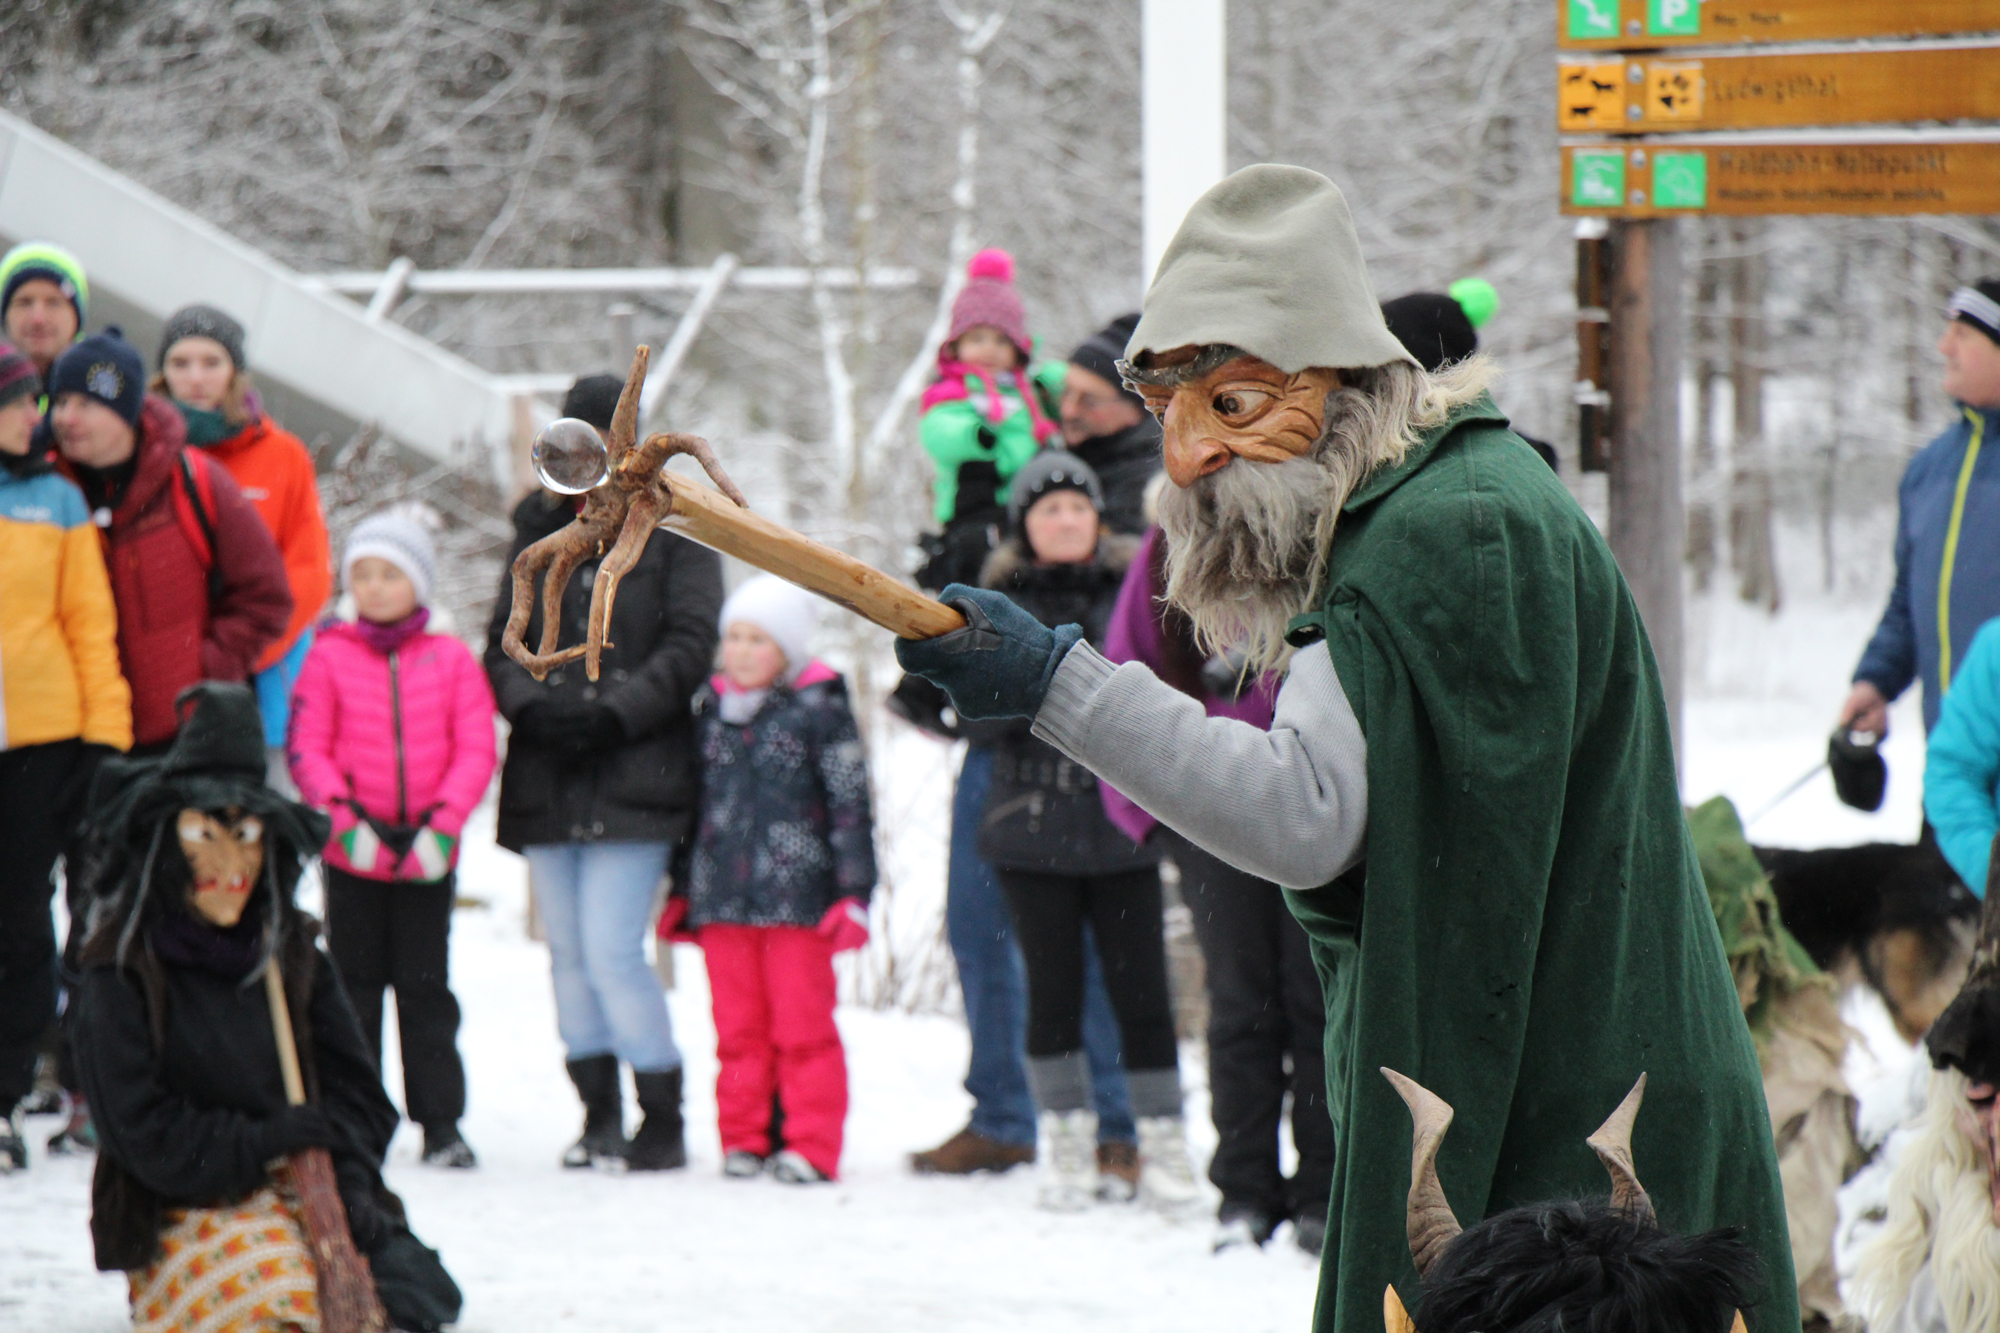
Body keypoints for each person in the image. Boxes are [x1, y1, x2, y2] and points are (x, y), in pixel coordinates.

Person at [897, 165, 1795, 1332]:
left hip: (1584, 1161)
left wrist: (1061, 685)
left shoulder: (1452, 533)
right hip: (1562, 1116)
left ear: (1329, 380)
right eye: (1168, 413)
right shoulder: (1433, 507)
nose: (1187, 464)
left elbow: (1305, 813)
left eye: (1227, 406)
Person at [70, 682, 460, 1333]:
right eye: (204, 831)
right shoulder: (123, 966)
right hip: (182, 1203)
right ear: (165, 842)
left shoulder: (292, 952)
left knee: (412, 1302)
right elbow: (141, 1134)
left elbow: (360, 1096)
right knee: (277, 1310)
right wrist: (264, 1140)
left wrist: (342, 1180)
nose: (229, 862)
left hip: (304, 1189)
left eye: (246, 833)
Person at [484, 372, 722, 1172]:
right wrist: (539, 706)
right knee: (568, 955)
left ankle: (660, 1111)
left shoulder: (676, 527)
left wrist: (615, 710)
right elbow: (504, 638)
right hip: (550, 767)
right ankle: (596, 1113)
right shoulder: (535, 527)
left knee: (615, 948)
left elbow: (691, 642)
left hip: (638, 767)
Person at [961, 449, 1199, 1214]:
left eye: (1078, 506)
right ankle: (1065, 1138)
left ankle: (1162, 1142)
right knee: (1051, 991)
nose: (1066, 519)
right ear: (1024, 525)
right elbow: (972, 716)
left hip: (1120, 823)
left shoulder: (1139, 589)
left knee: (1143, 993)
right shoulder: (996, 600)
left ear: (1100, 517)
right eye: (1048, 508)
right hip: (1028, 825)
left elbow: (1160, 686)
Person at [1099, 517, 1333, 1255]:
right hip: (1209, 806)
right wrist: (1150, 812)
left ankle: (1327, 1189)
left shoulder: (1331, 529)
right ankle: (1243, 1190)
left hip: (1320, 799)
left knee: (1320, 999)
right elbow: (1125, 670)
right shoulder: (1170, 544)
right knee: (1239, 1001)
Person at [288, 509, 496, 1169]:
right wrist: (343, 824)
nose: (376, 587)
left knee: (425, 985)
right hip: (355, 846)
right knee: (354, 986)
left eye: (391, 574)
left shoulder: (451, 657)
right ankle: (355, 1116)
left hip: (427, 844)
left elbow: (476, 746)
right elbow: (308, 747)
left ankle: (441, 1122)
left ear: (419, 582)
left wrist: (444, 825)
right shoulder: (329, 653)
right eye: (364, 575)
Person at [671, 576, 875, 1184]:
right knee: (737, 1031)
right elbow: (690, 808)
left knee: (803, 1028)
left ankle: (811, 1145)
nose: (739, 651)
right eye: (732, 638)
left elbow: (850, 807)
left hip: (799, 903)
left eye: (756, 639)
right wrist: (681, 887)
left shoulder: (821, 709)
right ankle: (743, 1139)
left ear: (786, 650)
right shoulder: (707, 709)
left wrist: (855, 894)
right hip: (722, 900)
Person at [0, 341, 130, 1171]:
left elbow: (90, 623)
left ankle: (6, 1092)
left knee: (21, 926)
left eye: (29, 399)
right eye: (13, 401)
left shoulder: (59, 498)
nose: (31, 414)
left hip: (41, 743)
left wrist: (104, 739)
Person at [48, 328, 292, 750]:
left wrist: (202, 671)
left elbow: (266, 597)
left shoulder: (195, 481)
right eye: (61, 402)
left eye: (86, 403)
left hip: (179, 740)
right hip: (67, 737)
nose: (67, 417)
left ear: (124, 412)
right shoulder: (40, 489)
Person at [157, 304, 332, 754]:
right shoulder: (144, 453)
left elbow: (308, 569)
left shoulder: (284, 455)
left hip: (263, 669)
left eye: (211, 362)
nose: (196, 377)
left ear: (236, 371)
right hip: (165, 666)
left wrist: (245, 649)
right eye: (180, 363)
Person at [1845, 279, 2000, 740]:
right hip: (1953, 766)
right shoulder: (1929, 471)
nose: (1943, 346)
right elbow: (1909, 602)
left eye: (1963, 335)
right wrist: (1877, 681)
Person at [916, 247, 1065, 592]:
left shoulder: (1027, 388)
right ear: (957, 344)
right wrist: (974, 436)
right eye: (977, 338)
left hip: (1025, 504)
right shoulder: (953, 388)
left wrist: (1062, 380)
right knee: (978, 575)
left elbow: (1060, 381)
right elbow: (937, 429)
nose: (989, 349)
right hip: (974, 504)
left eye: (1001, 340)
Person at [1060, 313, 1162, 535]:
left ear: (1135, 409)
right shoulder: (1059, 454)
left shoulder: (1147, 490)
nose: (1069, 411)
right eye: (1066, 392)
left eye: (1089, 401)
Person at [0, 241, 86, 385]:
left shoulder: (107, 400)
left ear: (76, 317)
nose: (38, 319)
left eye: (53, 303)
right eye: (24, 302)